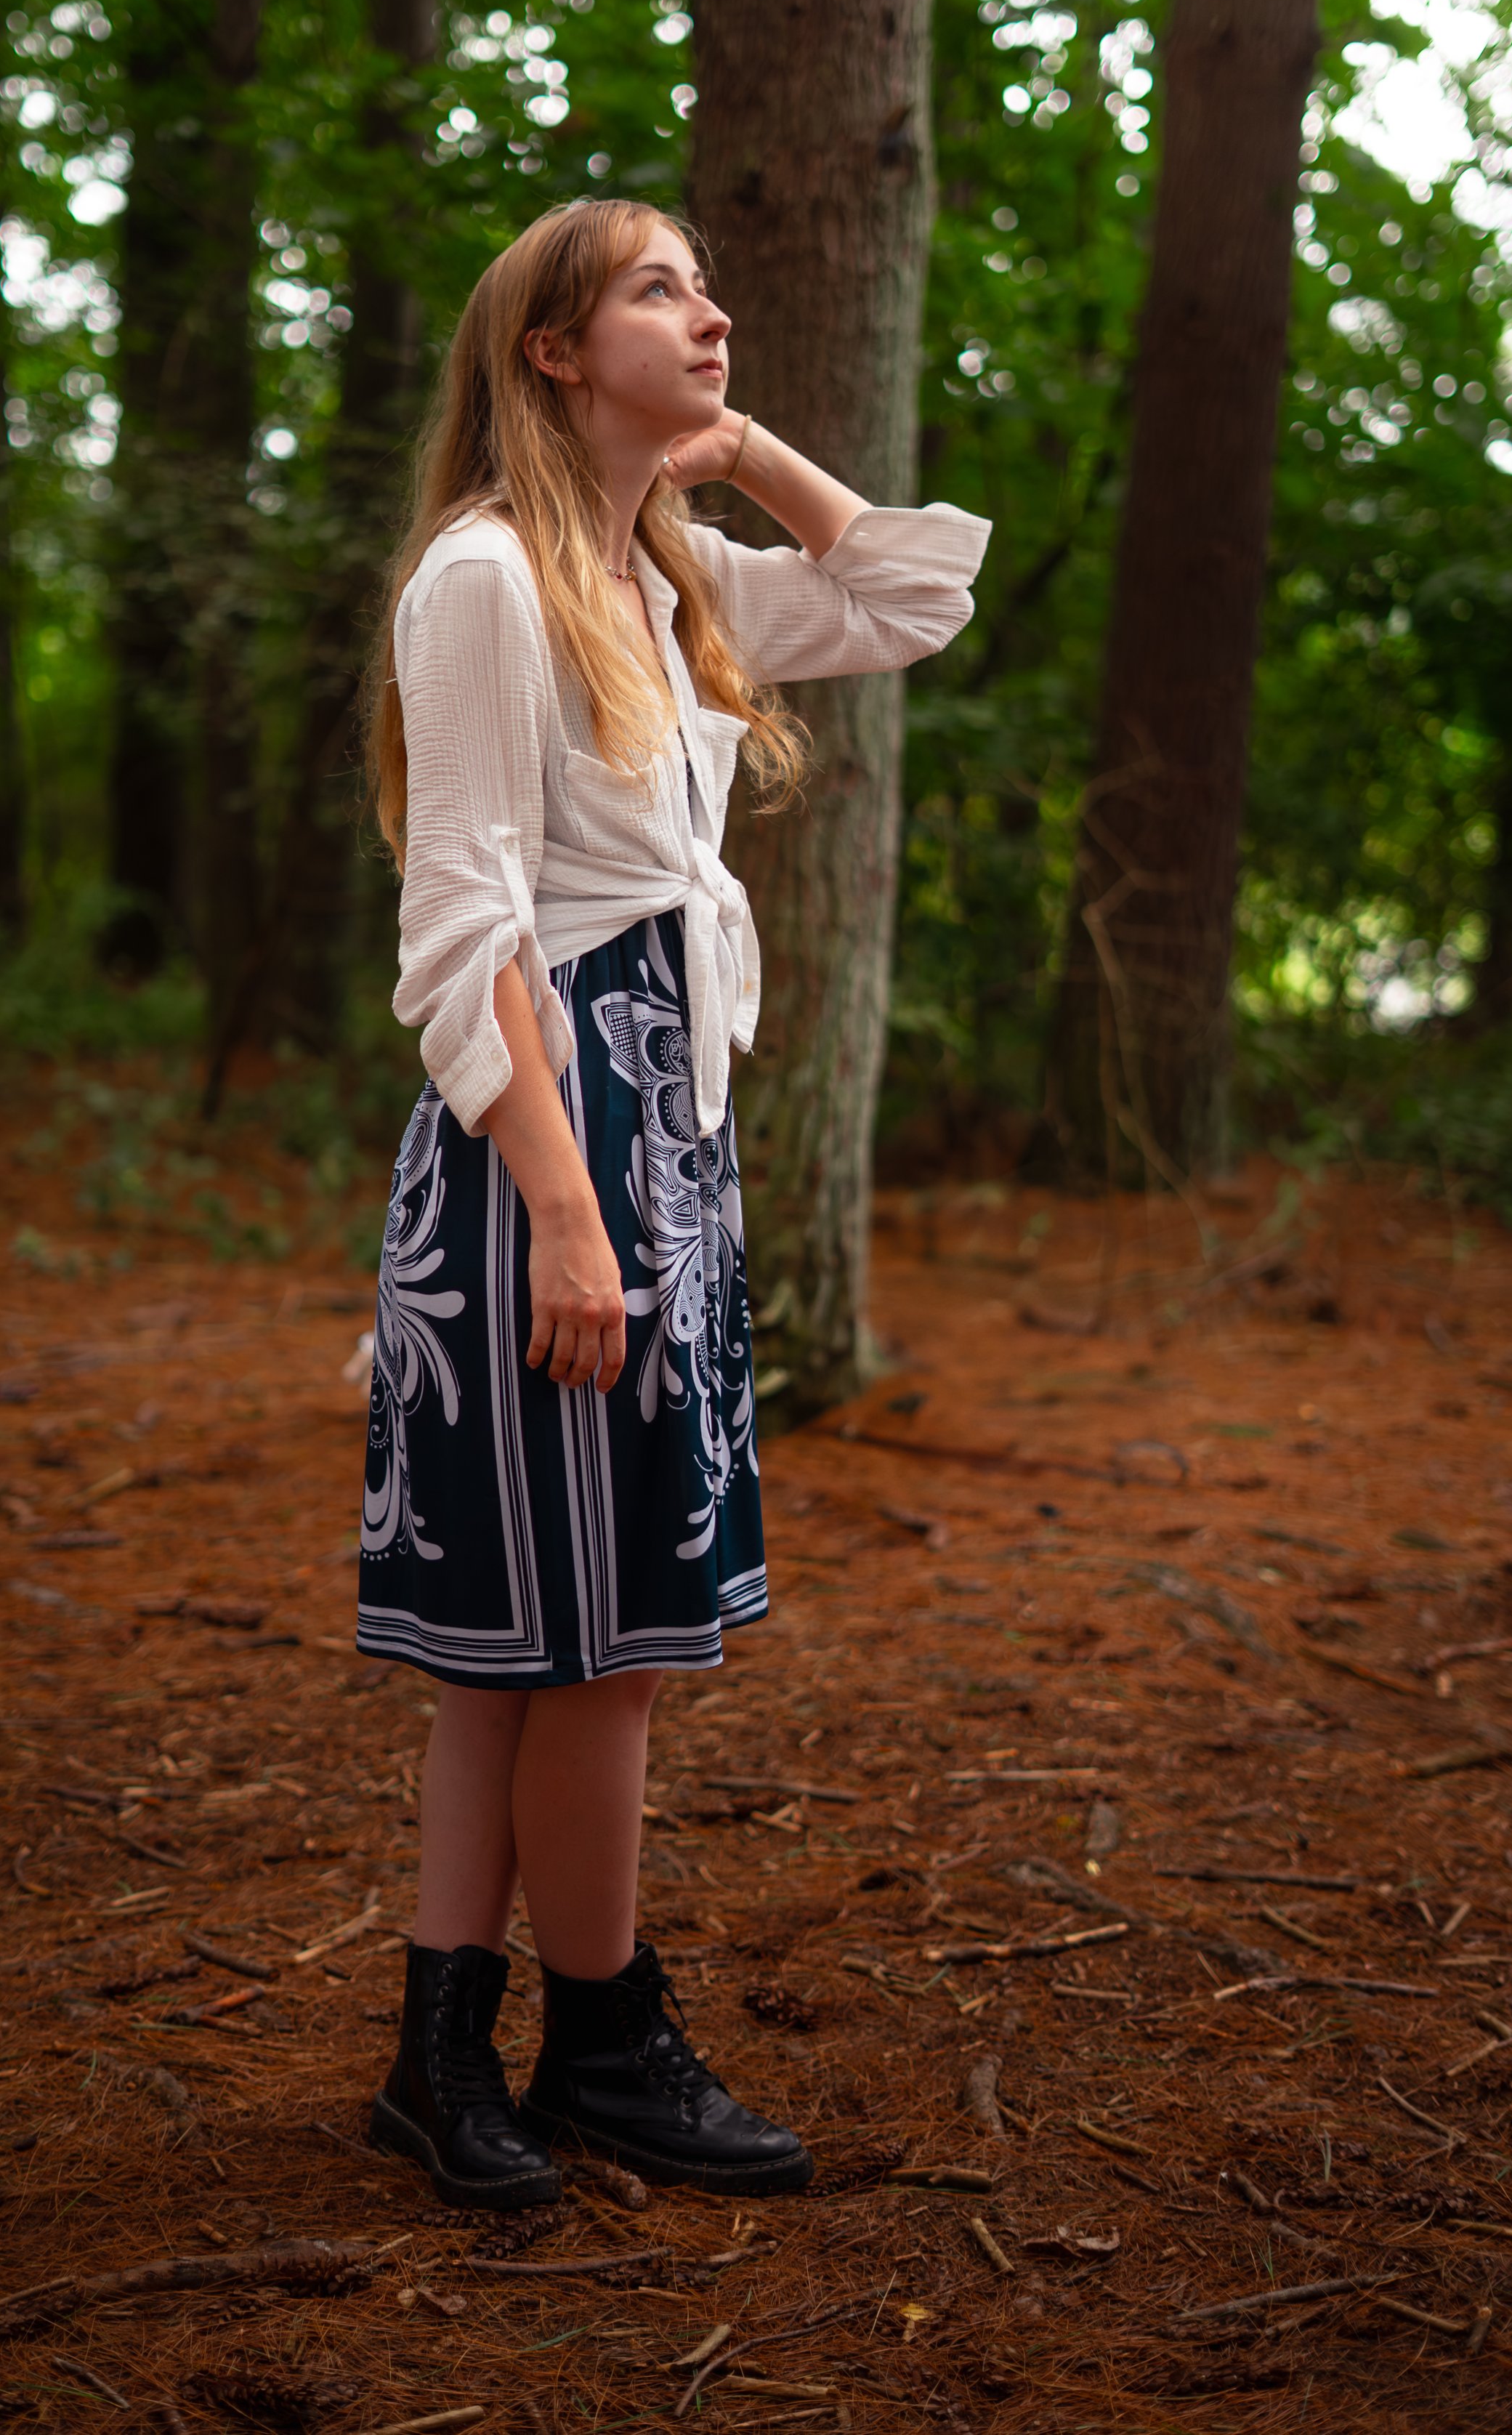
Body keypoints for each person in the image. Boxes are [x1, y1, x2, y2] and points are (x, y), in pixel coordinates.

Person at [356, 195, 989, 2208]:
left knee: (532, 1656)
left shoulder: (657, 576)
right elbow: (460, 921)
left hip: (659, 1143)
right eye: (658, 290)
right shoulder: (481, 581)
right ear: (549, 350)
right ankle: (601, 2040)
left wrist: (738, 460)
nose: (711, 312)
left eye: (710, 283)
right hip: (556, 1145)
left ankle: (442, 2053)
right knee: (588, 1651)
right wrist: (558, 1207)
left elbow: (901, 601)